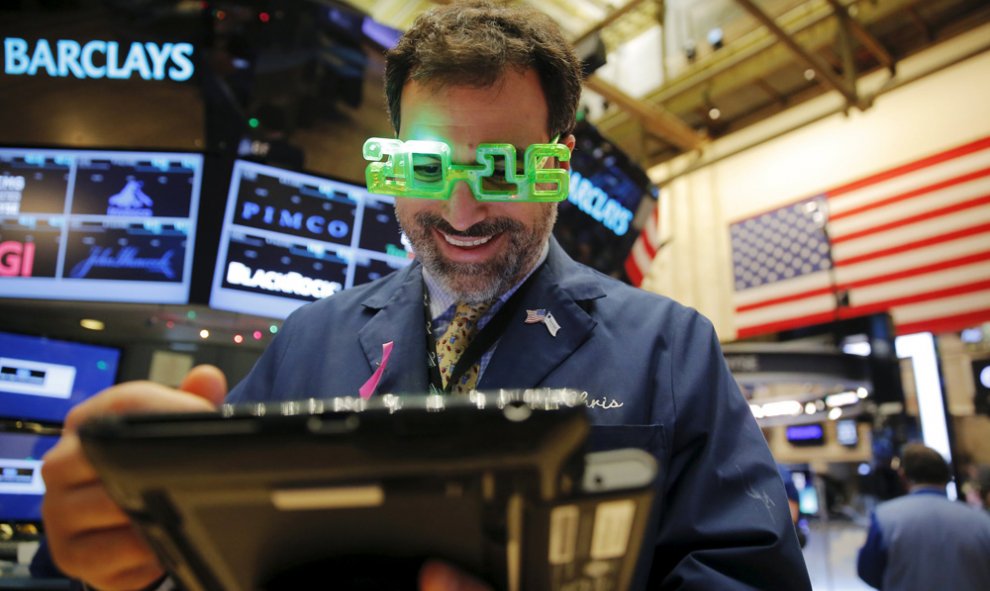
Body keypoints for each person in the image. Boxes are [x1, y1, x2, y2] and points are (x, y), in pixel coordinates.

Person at [40, 2, 811, 590]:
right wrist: (133, 552)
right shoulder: (312, 339)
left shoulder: (670, 347)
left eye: (505, 168)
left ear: (559, 163)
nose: (464, 210)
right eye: (427, 166)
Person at [857, 443, 990, 590]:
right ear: (947, 476)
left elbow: (868, 571)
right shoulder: (982, 521)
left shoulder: (883, 517)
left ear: (903, 475)